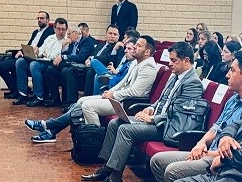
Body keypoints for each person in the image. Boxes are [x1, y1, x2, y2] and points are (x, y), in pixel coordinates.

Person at [81, 41, 203, 182]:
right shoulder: (175, 76)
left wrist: (153, 119)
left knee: (126, 130)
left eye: (174, 61)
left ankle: (115, 179)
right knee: (116, 123)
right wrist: (151, 109)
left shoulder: (193, 83)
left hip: (167, 128)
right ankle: (106, 168)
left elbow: (180, 115)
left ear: (186, 60)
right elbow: (162, 100)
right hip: (158, 120)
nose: (170, 64)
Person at [148, 50, 242, 182]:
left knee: (172, 171)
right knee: (157, 161)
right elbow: (216, 127)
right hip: (208, 151)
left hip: (220, 160)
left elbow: (238, 149)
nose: (227, 75)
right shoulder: (234, 98)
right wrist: (201, 143)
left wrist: (205, 153)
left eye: (232, 70)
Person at [24, 36, 158, 142]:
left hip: (127, 104)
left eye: (138, 46)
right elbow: (123, 83)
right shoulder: (137, 63)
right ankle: (51, 130)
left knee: (88, 106)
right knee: (82, 101)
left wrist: (114, 94)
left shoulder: (148, 67)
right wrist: (111, 92)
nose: (134, 48)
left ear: (147, 52)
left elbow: (136, 92)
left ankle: (95, 141)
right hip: (120, 98)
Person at [0, 11, 54, 99]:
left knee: (19, 63)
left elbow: (44, 48)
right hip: (26, 56)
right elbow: (29, 44)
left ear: (47, 20)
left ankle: (18, 92)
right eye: (38, 18)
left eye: (42, 18)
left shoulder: (50, 32)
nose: (39, 20)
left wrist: (36, 52)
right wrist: (21, 51)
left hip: (36, 57)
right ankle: (16, 90)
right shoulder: (35, 32)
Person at [13, 18, 69, 106]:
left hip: (51, 64)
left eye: (63, 29)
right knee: (20, 62)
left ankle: (39, 97)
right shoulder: (50, 38)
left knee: (33, 65)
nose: (61, 32)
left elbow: (53, 56)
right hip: (42, 60)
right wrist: (36, 50)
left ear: (66, 30)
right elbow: (41, 50)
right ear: (54, 28)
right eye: (58, 29)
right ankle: (22, 94)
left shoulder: (66, 42)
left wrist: (46, 54)